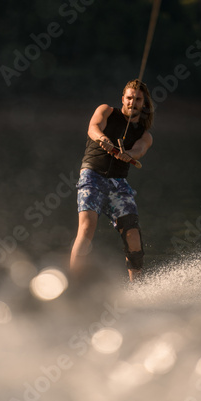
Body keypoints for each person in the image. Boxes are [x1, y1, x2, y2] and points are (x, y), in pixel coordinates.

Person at [70, 79, 154, 281]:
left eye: (138, 99)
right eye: (129, 98)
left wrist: (129, 155)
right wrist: (104, 140)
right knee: (87, 226)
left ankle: (137, 288)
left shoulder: (145, 135)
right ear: (123, 99)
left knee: (133, 234)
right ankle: (72, 281)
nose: (133, 102)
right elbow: (93, 127)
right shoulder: (106, 111)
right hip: (92, 175)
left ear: (144, 103)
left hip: (118, 183)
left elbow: (139, 150)